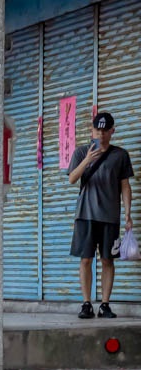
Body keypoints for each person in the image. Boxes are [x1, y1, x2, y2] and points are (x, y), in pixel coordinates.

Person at [68, 112, 134, 319]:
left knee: (108, 260)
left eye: (105, 131)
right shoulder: (81, 152)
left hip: (110, 217)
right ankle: (86, 303)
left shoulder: (120, 155)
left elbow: (125, 186)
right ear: (92, 130)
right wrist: (88, 159)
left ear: (112, 131)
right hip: (85, 215)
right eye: (97, 130)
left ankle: (105, 304)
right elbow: (71, 179)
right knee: (85, 259)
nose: (101, 134)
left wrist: (128, 215)